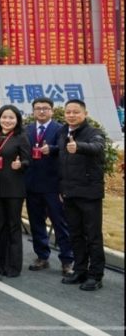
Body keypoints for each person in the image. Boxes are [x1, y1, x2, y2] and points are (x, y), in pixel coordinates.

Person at [58, 100, 106, 291]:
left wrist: (79, 146)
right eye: (68, 112)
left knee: (93, 236)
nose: (71, 115)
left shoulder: (94, 133)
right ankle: (80, 270)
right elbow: (61, 161)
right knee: (75, 235)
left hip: (89, 194)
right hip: (69, 193)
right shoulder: (63, 132)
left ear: (85, 114)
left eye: (76, 112)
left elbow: (97, 147)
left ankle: (95, 275)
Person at [24, 97, 73, 276]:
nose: (42, 111)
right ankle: (42, 256)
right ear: (33, 111)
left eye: (45, 108)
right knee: (36, 223)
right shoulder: (27, 129)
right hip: (32, 184)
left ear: (52, 110)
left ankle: (67, 260)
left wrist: (51, 149)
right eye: (38, 108)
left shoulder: (61, 129)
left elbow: (65, 149)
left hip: (53, 185)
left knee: (60, 224)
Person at [0, 105, 31, 278]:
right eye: (4, 117)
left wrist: (21, 164)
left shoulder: (21, 137)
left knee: (13, 226)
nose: (7, 120)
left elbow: (28, 160)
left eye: (11, 118)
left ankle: (13, 265)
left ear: (17, 120)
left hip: (13, 189)